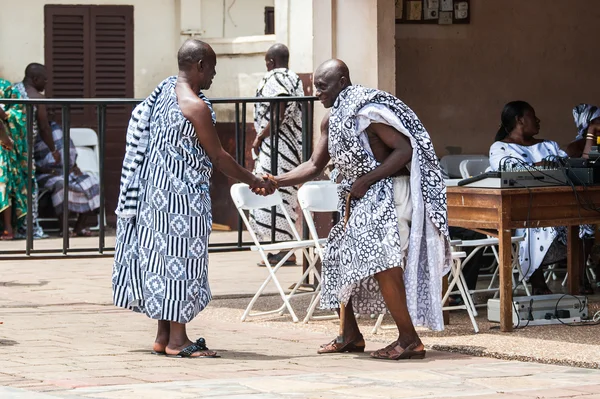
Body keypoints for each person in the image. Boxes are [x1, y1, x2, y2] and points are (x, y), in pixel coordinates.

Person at [263, 59, 451, 360]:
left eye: (322, 87)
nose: (316, 93)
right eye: (315, 87)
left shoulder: (367, 113)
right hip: (360, 198)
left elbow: (405, 150)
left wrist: (367, 179)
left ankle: (409, 339)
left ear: (342, 82)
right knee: (335, 257)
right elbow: (314, 165)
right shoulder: (331, 119)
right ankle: (349, 334)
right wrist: (275, 180)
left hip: (389, 194)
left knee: (381, 260)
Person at [112, 39, 275, 358]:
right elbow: (219, 157)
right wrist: (254, 178)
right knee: (182, 265)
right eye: (212, 67)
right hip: (181, 200)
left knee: (161, 262)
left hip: (152, 195)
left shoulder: (164, 93)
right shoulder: (196, 107)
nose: (213, 75)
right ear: (200, 65)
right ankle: (178, 340)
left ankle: (163, 336)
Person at [489, 101, 594, 294]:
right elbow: (508, 168)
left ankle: (577, 278)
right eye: (532, 116)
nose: (538, 120)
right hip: (522, 212)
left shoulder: (548, 145)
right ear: (519, 120)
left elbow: (565, 163)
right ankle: (538, 285)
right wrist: (542, 164)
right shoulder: (500, 148)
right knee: (533, 226)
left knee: (585, 224)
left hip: (556, 206)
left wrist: (588, 135)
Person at [250, 43, 305, 266]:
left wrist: (260, 136)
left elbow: (279, 107)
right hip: (291, 145)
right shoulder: (294, 78)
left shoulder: (276, 77)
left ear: (270, 62)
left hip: (277, 146)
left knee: (271, 194)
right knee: (284, 196)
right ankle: (283, 249)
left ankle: (282, 251)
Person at [33, 114, 100, 237]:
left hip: (67, 171)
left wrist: (74, 166)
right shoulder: (34, 134)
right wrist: (45, 170)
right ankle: (63, 228)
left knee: (93, 182)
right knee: (60, 185)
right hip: (46, 174)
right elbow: (29, 161)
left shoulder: (58, 129)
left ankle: (79, 227)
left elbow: (70, 150)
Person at [14, 63, 59, 239]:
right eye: (45, 80)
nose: (46, 83)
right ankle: (28, 227)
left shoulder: (12, 91)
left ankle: (11, 227)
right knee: (29, 188)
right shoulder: (36, 98)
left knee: (12, 188)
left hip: (8, 149)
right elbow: (44, 128)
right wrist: (53, 149)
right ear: (35, 79)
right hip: (25, 151)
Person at [0, 79, 28, 240]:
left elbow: (19, 112)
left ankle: (8, 227)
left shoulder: (6, 87)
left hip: (3, 147)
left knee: (4, 181)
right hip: (4, 141)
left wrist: (6, 115)